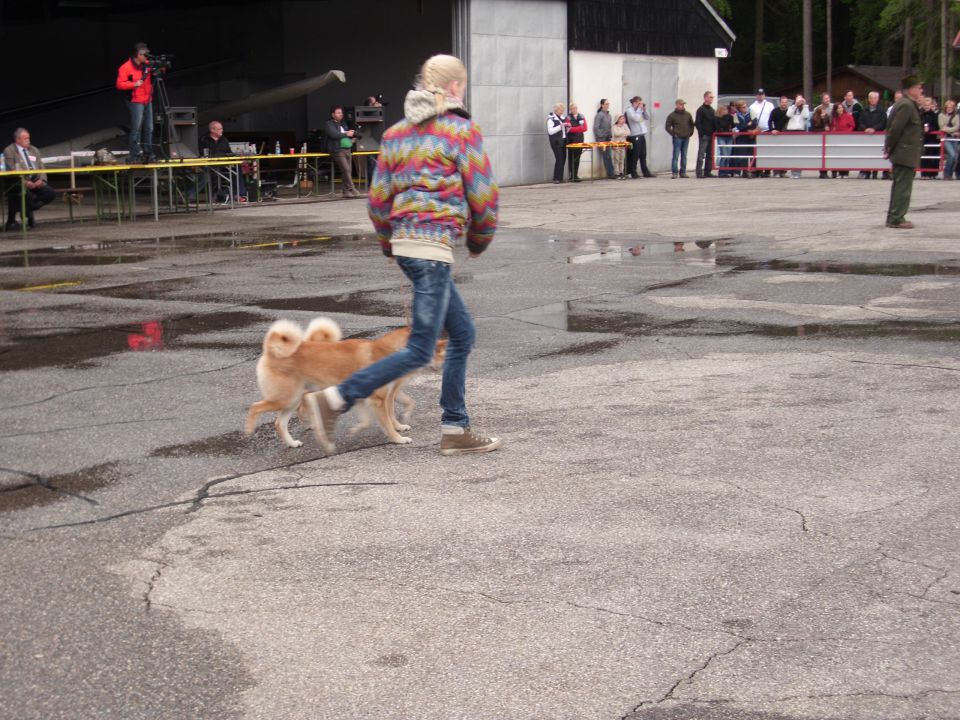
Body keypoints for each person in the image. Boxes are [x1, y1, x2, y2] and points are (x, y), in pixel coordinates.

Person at [308, 54, 500, 457]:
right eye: (461, 85)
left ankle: (455, 427)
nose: (462, 91)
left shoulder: (394, 134)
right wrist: (479, 240)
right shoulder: (460, 130)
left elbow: (378, 200)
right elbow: (483, 195)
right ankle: (335, 399)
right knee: (420, 348)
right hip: (432, 249)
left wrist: (388, 243)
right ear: (452, 88)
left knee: (462, 334)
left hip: (410, 248)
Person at [884, 76, 924, 229]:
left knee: (900, 185)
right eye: (919, 88)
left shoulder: (907, 104)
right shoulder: (906, 105)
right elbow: (895, 129)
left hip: (904, 152)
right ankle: (896, 218)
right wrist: (889, 147)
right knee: (903, 187)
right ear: (911, 89)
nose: (921, 91)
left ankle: (894, 216)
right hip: (904, 153)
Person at [3, 128, 55, 231]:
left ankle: (27, 209)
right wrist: (25, 182)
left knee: (50, 193)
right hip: (19, 181)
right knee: (23, 194)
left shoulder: (34, 149)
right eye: (26, 138)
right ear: (18, 140)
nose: (29, 141)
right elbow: (11, 170)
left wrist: (42, 180)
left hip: (36, 179)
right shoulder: (9, 150)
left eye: (29, 138)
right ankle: (27, 215)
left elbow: (41, 167)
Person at [116, 42, 156, 163]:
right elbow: (119, 84)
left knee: (149, 128)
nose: (147, 57)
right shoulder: (125, 67)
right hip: (135, 100)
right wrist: (134, 84)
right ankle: (135, 155)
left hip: (147, 100)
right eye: (145, 55)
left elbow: (159, 69)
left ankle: (148, 153)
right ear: (138, 55)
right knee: (136, 128)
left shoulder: (147, 65)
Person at [196, 120, 247, 202]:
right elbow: (202, 154)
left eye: (221, 129)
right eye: (220, 129)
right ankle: (214, 195)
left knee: (237, 168)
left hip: (223, 165)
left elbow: (229, 153)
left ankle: (238, 194)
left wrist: (238, 157)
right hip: (209, 166)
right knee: (208, 175)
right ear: (212, 130)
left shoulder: (224, 140)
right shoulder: (203, 140)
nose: (222, 130)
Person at [325, 105, 361, 197]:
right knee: (346, 169)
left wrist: (353, 135)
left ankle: (346, 191)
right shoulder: (329, 124)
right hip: (337, 150)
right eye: (338, 113)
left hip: (347, 149)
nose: (340, 114)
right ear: (333, 114)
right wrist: (346, 134)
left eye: (341, 112)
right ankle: (352, 188)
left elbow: (347, 134)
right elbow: (334, 135)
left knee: (348, 171)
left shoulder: (343, 123)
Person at [858, 92, 887, 178]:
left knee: (877, 154)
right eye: (871, 98)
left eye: (875, 98)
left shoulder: (882, 111)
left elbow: (883, 123)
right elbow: (860, 122)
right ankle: (866, 172)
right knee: (866, 154)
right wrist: (865, 129)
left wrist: (874, 129)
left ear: (877, 99)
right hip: (866, 136)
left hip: (877, 136)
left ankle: (876, 172)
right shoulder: (864, 110)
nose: (873, 99)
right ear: (869, 99)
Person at [665, 99, 694, 179]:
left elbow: (691, 124)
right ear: (677, 105)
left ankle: (683, 172)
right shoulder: (672, 115)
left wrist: (690, 133)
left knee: (684, 155)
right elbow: (667, 127)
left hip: (686, 137)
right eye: (681, 104)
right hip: (677, 138)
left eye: (683, 104)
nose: (682, 106)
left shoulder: (688, 114)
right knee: (676, 155)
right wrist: (673, 134)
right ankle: (675, 172)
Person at [625, 96, 653, 178]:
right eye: (639, 103)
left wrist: (644, 110)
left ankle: (646, 172)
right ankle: (633, 172)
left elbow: (647, 117)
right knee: (635, 155)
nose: (640, 104)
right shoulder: (629, 110)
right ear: (634, 103)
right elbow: (636, 119)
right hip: (635, 135)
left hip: (642, 134)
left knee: (643, 154)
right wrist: (639, 110)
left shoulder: (639, 110)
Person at [786, 95, 810, 178]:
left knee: (799, 153)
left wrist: (805, 105)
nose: (799, 101)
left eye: (800, 99)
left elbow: (806, 116)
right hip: (791, 131)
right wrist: (795, 105)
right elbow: (788, 114)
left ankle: (798, 173)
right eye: (797, 99)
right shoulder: (792, 107)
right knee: (792, 153)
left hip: (800, 131)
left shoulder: (804, 108)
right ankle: (793, 172)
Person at [830, 102, 856, 178]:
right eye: (838, 108)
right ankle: (838, 172)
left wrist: (846, 133)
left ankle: (845, 173)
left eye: (841, 107)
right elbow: (832, 127)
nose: (840, 109)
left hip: (846, 138)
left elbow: (852, 126)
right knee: (837, 156)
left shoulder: (848, 116)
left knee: (845, 156)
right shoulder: (834, 118)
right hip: (836, 139)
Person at [694, 91, 716, 178]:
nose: (712, 99)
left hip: (711, 135)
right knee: (701, 154)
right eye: (710, 97)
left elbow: (714, 122)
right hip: (704, 135)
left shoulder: (712, 110)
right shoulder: (701, 110)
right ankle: (699, 172)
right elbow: (697, 123)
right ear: (705, 98)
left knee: (710, 154)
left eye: (712, 97)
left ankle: (708, 171)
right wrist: (702, 133)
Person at [768, 95, 791, 177]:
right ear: (780, 103)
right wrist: (772, 129)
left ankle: (783, 171)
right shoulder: (775, 111)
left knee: (786, 154)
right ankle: (776, 171)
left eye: (785, 102)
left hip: (786, 135)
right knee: (776, 153)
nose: (784, 104)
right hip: (776, 135)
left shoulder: (789, 111)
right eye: (782, 102)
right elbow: (770, 121)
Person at [547, 102, 569, 183]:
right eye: (560, 110)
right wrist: (561, 126)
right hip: (555, 142)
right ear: (556, 110)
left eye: (563, 110)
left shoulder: (562, 118)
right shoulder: (551, 119)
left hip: (563, 140)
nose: (562, 111)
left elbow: (564, 131)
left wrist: (568, 127)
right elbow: (550, 132)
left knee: (563, 159)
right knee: (559, 159)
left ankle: (560, 178)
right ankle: (556, 178)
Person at [593, 99, 615, 179]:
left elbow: (609, 127)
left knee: (609, 156)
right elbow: (596, 127)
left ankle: (611, 172)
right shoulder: (599, 115)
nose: (607, 105)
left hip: (608, 138)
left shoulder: (609, 115)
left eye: (608, 104)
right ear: (602, 105)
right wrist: (600, 136)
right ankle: (610, 174)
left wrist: (610, 135)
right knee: (606, 156)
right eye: (606, 104)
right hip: (602, 139)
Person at [565, 103, 587, 182]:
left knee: (577, 158)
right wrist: (579, 128)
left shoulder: (582, 116)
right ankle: (572, 175)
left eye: (575, 108)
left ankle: (575, 175)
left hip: (580, 140)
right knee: (571, 158)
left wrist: (574, 128)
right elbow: (569, 129)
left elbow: (585, 128)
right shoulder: (568, 117)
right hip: (571, 140)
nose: (574, 110)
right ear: (570, 110)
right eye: (572, 109)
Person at [919, 96, 939, 179]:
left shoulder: (935, 115)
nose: (926, 106)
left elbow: (937, 126)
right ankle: (924, 173)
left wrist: (929, 129)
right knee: (923, 155)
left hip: (932, 138)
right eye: (925, 105)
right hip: (923, 138)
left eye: (928, 105)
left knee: (932, 155)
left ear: (931, 105)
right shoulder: (920, 115)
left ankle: (933, 173)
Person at [938, 99, 959, 180]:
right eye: (948, 107)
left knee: (955, 157)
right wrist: (952, 131)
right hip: (945, 138)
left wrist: (948, 130)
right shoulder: (941, 115)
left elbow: (957, 126)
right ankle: (946, 173)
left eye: (951, 107)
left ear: (953, 108)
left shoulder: (956, 116)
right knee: (952, 154)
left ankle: (949, 174)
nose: (949, 108)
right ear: (945, 107)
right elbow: (941, 127)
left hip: (954, 138)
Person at [713, 105, 735, 177]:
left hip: (729, 137)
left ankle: (726, 171)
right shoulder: (717, 118)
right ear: (720, 111)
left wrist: (732, 119)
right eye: (724, 110)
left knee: (728, 156)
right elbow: (719, 127)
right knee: (724, 155)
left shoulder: (730, 117)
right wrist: (725, 123)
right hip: (721, 137)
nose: (726, 111)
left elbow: (733, 125)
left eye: (726, 110)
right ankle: (722, 172)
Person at [611, 114, 630, 179]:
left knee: (622, 158)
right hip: (616, 144)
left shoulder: (625, 125)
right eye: (621, 119)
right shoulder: (614, 126)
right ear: (617, 120)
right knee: (617, 159)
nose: (622, 120)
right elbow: (616, 134)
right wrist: (623, 132)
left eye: (623, 119)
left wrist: (621, 132)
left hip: (623, 144)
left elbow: (629, 132)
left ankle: (621, 171)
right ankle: (617, 173)